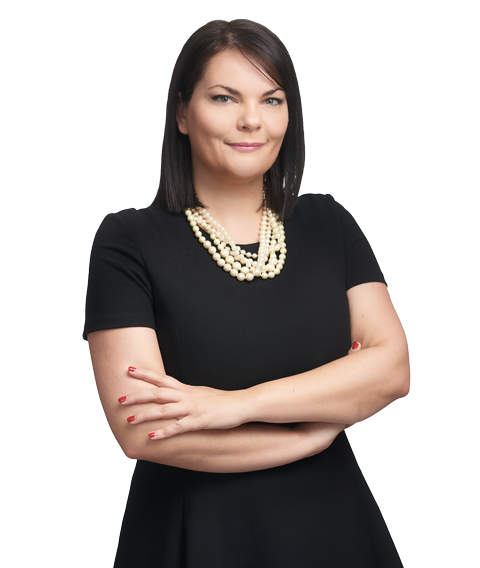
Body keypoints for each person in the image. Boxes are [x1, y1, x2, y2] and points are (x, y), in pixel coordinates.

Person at [83, 18, 410, 567]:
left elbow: (392, 369)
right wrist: (307, 437)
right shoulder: (128, 240)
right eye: (224, 97)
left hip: (335, 530)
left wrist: (232, 406)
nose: (252, 120)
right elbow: (145, 431)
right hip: (196, 534)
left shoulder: (328, 223)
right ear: (182, 112)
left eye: (272, 100)